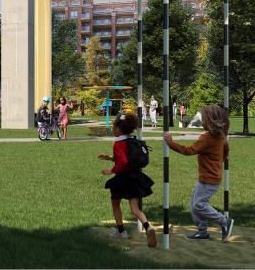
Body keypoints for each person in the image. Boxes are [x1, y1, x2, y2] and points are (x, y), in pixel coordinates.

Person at [164, 105, 234, 241]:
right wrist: (224, 156)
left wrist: (171, 144)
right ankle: (202, 231)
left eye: (203, 119)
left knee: (198, 205)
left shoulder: (207, 138)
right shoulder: (221, 137)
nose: (201, 122)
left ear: (211, 121)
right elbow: (226, 148)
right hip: (208, 178)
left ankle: (225, 222)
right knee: (194, 205)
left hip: (209, 179)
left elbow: (189, 151)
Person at [98, 113, 157, 248]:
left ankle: (121, 232)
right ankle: (148, 227)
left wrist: (111, 170)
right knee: (135, 209)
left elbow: (123, 161)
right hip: (135, 178)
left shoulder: (118, 144)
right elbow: (126, 159)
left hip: (122, 179)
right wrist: (110, 158)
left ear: (119, 129)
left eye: (113, 126)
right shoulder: (131, 141)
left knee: (115, 204)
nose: (112, 129)